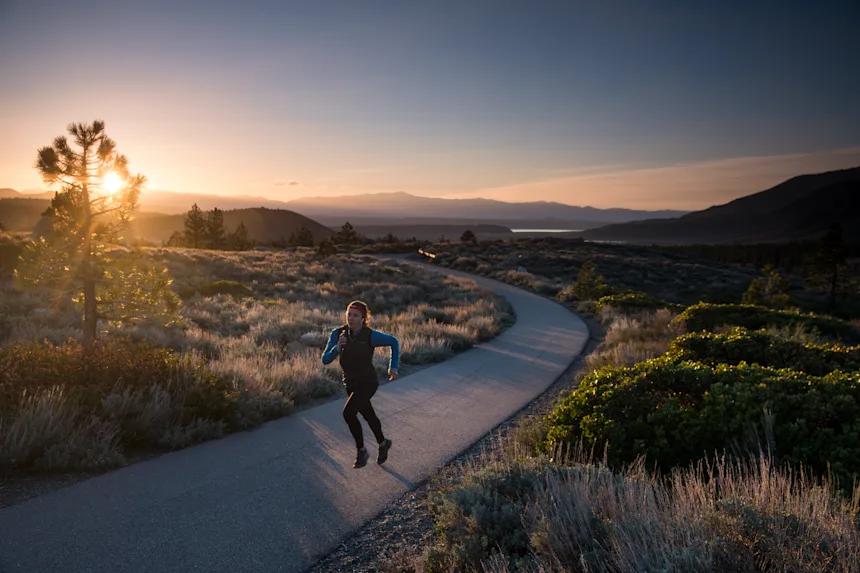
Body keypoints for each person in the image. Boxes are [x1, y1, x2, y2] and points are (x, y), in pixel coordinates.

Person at [321, 300, 399, 468]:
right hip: (350, 383)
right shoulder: (337, 334)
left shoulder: (370, 335)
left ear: (363, 318)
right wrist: (336, 348)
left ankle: (361, 451)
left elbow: (393, 342)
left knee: (348, 413)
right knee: (368, 414)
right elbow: (325, 360)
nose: (351, 318)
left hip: (368, 382)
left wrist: (393, 367)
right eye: (349, 314)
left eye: (356, 315)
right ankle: (383, 442)